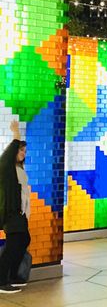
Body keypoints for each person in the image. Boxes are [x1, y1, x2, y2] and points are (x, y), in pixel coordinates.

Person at [0, 121, 31, 294]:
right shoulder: (6, 167)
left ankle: (12, 276)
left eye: (24, 151)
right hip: (11, 214)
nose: (23, 153)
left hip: (19, 214)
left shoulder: (19, 169)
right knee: (12, 246)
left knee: (24, 240)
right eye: (20, 150)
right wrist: (16, 133)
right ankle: (2, 280)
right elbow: (10, 151)